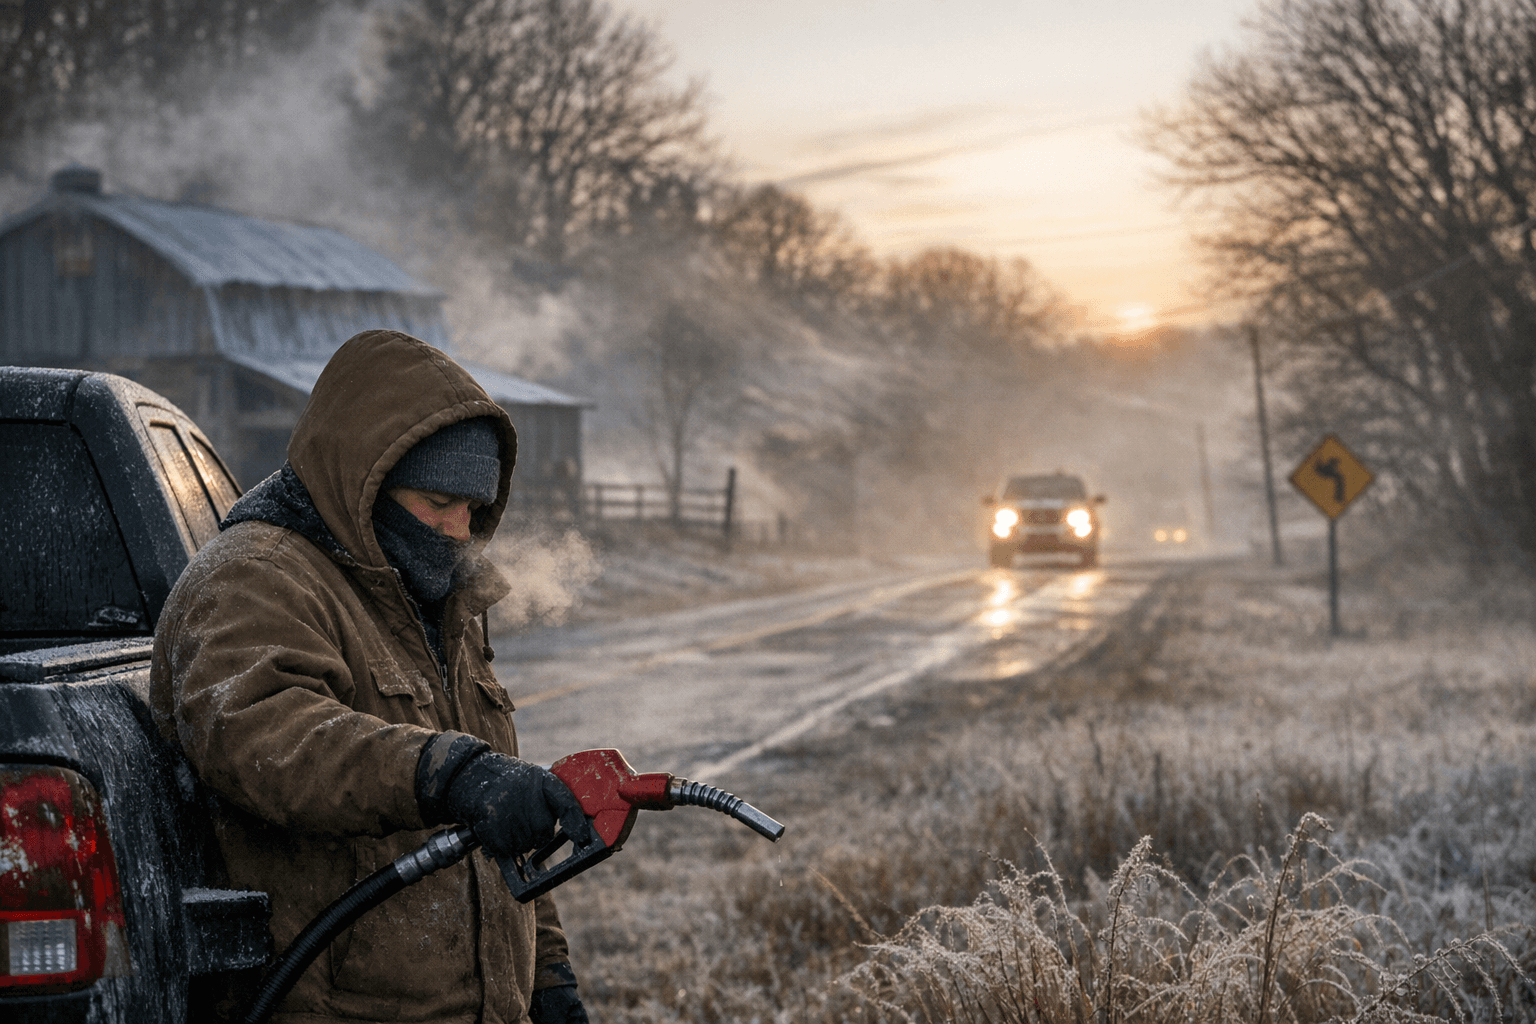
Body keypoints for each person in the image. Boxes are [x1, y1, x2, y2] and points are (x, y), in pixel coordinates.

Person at [151, 330, 594, 1023]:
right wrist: (446, 772)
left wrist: (548, 976)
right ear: (365, 481)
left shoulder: (440, 601)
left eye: (473, 510)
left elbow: (495, 813)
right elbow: (265, 736)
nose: (455, 529)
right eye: (436, 502)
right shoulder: (254, 578)